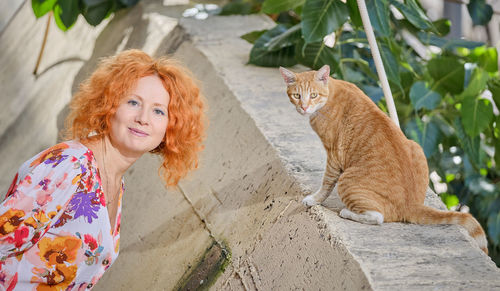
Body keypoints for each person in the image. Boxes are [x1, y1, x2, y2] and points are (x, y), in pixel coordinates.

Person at [0, 49, 205, 290]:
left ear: (170, 127)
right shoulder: (71, 165)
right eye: (133, 102)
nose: (143, 118)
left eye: (159, 110)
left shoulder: (114, 182)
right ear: (109, 104)